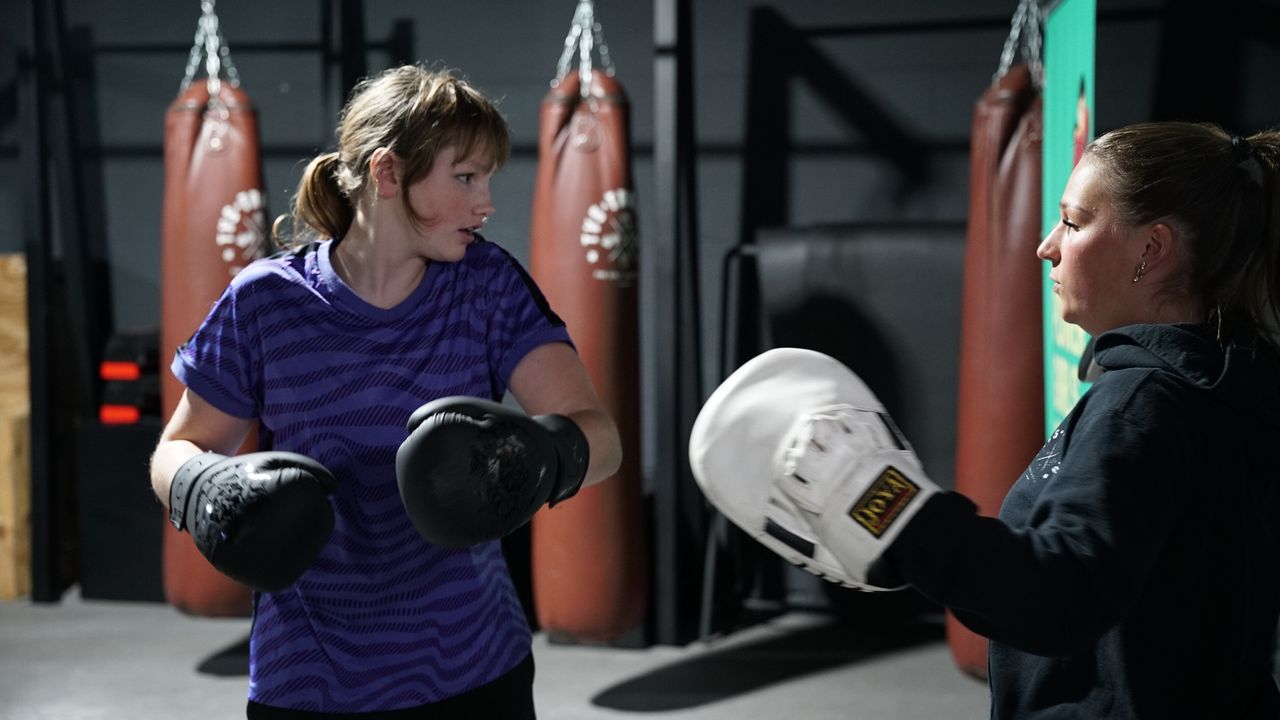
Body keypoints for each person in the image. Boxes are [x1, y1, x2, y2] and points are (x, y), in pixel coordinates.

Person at [690, 121, 1280, 718]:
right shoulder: (1227, 389)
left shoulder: (1140, 406)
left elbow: (1059, 599)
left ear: (1151, 249)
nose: (1047, 245)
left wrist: (888, 507)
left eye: (1073, 223)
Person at [149, 63, 621, 717]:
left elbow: (600, 437)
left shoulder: (486, 286)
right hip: (309, 683)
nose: (485, 203)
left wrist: (539, 459)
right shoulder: (265, 303)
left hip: (475, 671)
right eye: (465, 177)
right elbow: (176, 449)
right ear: (388, 173)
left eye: (486, 178)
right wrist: (205, 489)